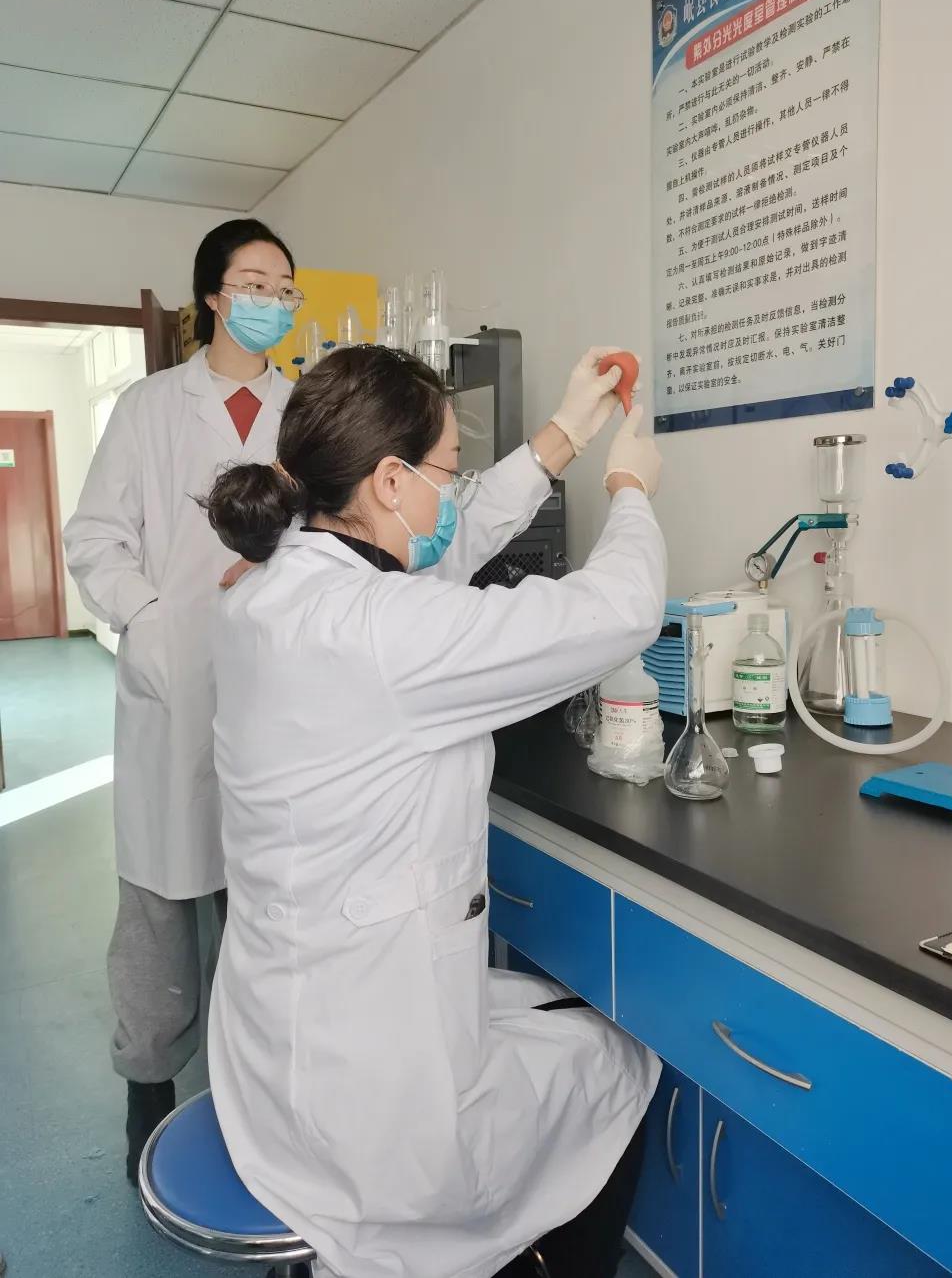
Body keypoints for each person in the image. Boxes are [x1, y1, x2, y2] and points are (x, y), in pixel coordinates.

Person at [204, 344, 666, 1278]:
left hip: (278, 1038)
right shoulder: (383, 630)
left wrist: (568, 431)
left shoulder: (270, 589)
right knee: (619, 1064)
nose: (455, 494)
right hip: (373, 1100)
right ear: (388, 479)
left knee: (547, 1024)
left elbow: (445, 543)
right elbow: (618, 609)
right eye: (448, 472)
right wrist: (630, 487)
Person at [63, 218, 302, 1182]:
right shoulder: (151, 407)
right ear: (212, 295)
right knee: (159, 905)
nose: (271, 301)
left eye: (283, 288)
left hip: (282, 684)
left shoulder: (306, 409)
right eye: (254, 283)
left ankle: (256, 1094)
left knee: (264, 902)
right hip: (174, 681)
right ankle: (149, 1086)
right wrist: (152, 618)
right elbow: (94, 536)